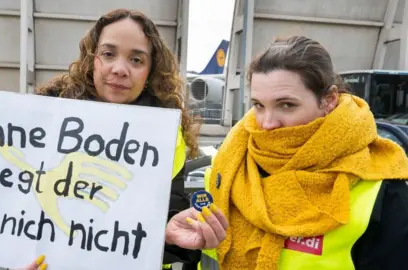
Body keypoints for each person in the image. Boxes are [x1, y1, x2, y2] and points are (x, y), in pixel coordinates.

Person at [190, 35, 408, 270]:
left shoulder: (381, 190)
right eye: (259, 105)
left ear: (329, 100)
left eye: (287, 105)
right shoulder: (228, 169)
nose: (267, 123)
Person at [20, 8, 201, 270]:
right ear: (92, 58)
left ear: (150, 71)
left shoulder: (165, 136)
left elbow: (171, 218)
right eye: (108, 54)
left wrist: (173, 239)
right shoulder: (47, 117)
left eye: (136, 60)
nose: (119, 69)